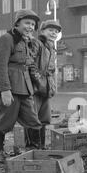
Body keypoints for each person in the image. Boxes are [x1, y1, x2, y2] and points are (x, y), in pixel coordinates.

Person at [0, 9, 42, 164]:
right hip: (11, 89)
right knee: (3, 122)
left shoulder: (25, 41)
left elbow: (26, 64)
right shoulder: (7, 38)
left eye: (33, 24)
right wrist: (5, 90)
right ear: (17, 23)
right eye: (27, 23)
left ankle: (35, 151)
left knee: (33, 121)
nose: (30, 27)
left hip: (25, 89)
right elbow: (0, 66)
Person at [25, 20, 61, 150]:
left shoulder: (51, 47)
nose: (54, 33)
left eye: (56, 32)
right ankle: (32, 147)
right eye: (51, 30)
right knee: (32, 118)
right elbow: (30, 62)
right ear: (42, 31)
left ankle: (41, 146)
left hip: (45, 88)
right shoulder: (37, 43)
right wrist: (38, 80)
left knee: (44, 118)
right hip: (36, 88)